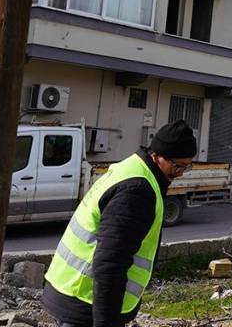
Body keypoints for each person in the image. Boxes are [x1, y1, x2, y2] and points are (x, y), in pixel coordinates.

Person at [43, 121, 198, 327]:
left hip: (75, 292)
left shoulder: (132, 168)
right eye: (178, 166)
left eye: (187, 167)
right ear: (158, 155)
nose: (180, 173)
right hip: (85, 300)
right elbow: (110, 263)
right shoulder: (138, 190)